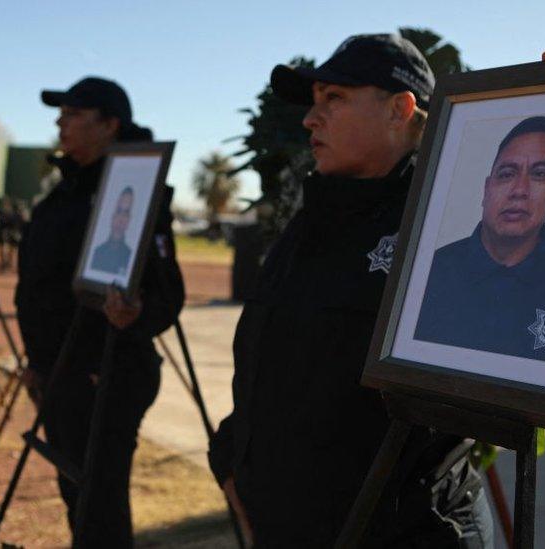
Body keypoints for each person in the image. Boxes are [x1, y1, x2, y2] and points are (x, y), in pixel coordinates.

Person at [208, 34, 498, 547]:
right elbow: (265, 367)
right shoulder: (313, 219)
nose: (309, 119)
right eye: (314, 101)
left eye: (334, 98)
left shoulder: (452, 222)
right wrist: (234, 470)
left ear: (400, 109)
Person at [15, 76, 184, 546]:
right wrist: (37, 362)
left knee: (99, 501)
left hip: (107, 370)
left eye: (72, 114)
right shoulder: (65, 190)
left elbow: (169, 293)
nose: (59, 122)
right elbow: (39, 285)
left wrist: (136, 315)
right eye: (61, 113)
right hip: (60, 370)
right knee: (75, 491)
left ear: (109, 125)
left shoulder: (134, 189)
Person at [415, 116, 545, 362]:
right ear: (487, 187)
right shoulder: (425, 272)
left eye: (539, 174)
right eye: (506, 174)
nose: (519, 190)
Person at [89, 186, 134, 275]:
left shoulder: (131, 256)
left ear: (130, 219)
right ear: (112, 214)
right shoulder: (97, 253)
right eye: (118, 211)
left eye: (126, 213)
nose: (121, 219)